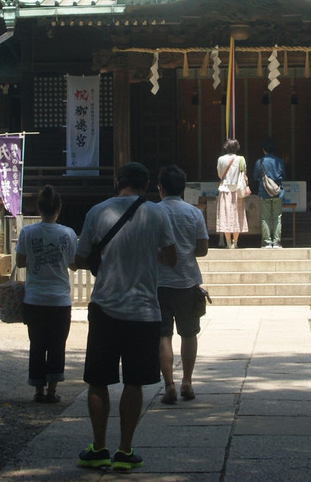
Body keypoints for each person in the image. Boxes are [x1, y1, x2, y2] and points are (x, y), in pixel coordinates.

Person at [74, 162, 177, 473]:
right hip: (144, 309)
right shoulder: (158, 213)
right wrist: (149, 252)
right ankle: (125, 450)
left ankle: (99, 447)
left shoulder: (97, 211)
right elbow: (171, 258)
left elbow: (79, 259)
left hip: (105, 305)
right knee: (135, 382)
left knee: (98, 380)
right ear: (147, 186)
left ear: (117, 181)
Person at [15, 185, 77, 403]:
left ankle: (37, 390)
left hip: (34, 297)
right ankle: (52, 391)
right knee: (57, 344)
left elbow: (20, 262)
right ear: (58, 207)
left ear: (38, 208)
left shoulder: (27, 232)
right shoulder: (67, 233)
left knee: (37, 344)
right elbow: (73, 264)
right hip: (60, 299)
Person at [155, 164, 209, 404]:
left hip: (158, 282)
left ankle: (169, 385)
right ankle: (187, 381)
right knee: (189, 334)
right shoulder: (193, 213)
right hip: (187, 280)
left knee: (162, 335)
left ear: (161, 188)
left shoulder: (153, 212)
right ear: (183, 188)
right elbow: (203, 249)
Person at [216, 139, 248, 248]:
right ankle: (236, 242)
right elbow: (244, 174)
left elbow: (220, 175)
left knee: (225, 216)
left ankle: (228, 243)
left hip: (224, 190)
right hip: (237, 191)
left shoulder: (221, 159)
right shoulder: (241, 159)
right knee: (237, 216)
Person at [253, 138, 286, 248]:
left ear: (263, 150)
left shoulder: (259, 162)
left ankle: (267, 242)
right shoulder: (279, 161)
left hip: (264, 193)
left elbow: (255, 176)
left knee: (265, 218)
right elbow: (283, 175)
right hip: (277, 192)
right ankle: (277, 242)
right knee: (277, 217)